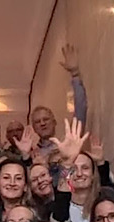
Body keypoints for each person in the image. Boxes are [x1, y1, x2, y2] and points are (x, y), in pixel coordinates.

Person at [30, 44, 88, 175]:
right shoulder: (31, 153)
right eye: (38, 122)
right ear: (33, 127)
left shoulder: (68, 142)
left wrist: (75, 74)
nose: (43, 123)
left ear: (54, 121)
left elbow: (81, 111)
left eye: (46, 119)